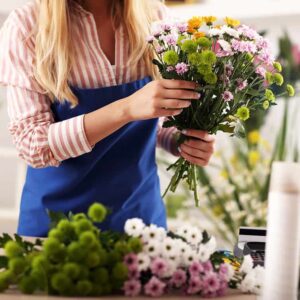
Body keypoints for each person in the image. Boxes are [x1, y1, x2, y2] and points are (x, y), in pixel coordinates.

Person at [0, 0, 215, 237]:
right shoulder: (27, 26)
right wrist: (126, 108)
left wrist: (178, 140)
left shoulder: (157, 18)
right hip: (57, 228)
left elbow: (155, 124)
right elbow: (33, 144)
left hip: (140, 222)